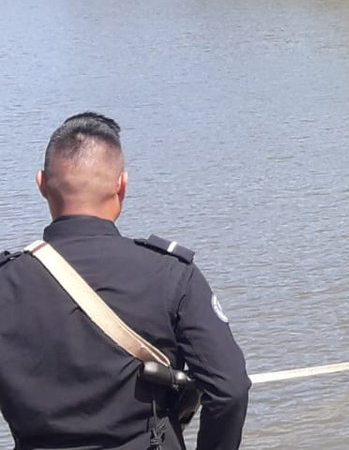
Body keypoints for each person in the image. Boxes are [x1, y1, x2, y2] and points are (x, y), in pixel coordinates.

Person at [0, 112, 251, 450]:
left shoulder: (6, 281)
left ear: (41, 184)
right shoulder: (172, 274)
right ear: (122, 185)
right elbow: (229, 390)